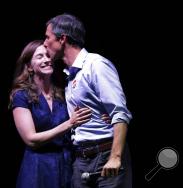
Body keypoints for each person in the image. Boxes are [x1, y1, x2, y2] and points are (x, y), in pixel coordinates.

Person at [43, 13, 133, 188]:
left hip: (106, 155)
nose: (45, 43)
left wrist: (115, 157)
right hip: (81, 160)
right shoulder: (70, 75)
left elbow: (120, 112)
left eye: (48, 37)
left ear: (62, 39)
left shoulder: (96, 65)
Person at [8, 40, 92, 188]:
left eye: (48, 55)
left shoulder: (62, 91)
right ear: (29, 66)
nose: (47, 60)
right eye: (39, 57)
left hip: (66, 164)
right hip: (39, 167)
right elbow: (30, 139)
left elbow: (83, 114)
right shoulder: (21, 96)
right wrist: (69, 124)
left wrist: (104, 117)